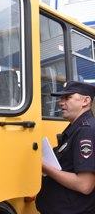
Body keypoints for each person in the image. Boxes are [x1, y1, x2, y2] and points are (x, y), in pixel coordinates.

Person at [36, 80, 95, 214]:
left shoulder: (86, 131)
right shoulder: (76, 128)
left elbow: (85, 185)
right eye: (61, 98)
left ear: (85, 101)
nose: (61, 102)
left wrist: (44, 166)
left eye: (67, 98)